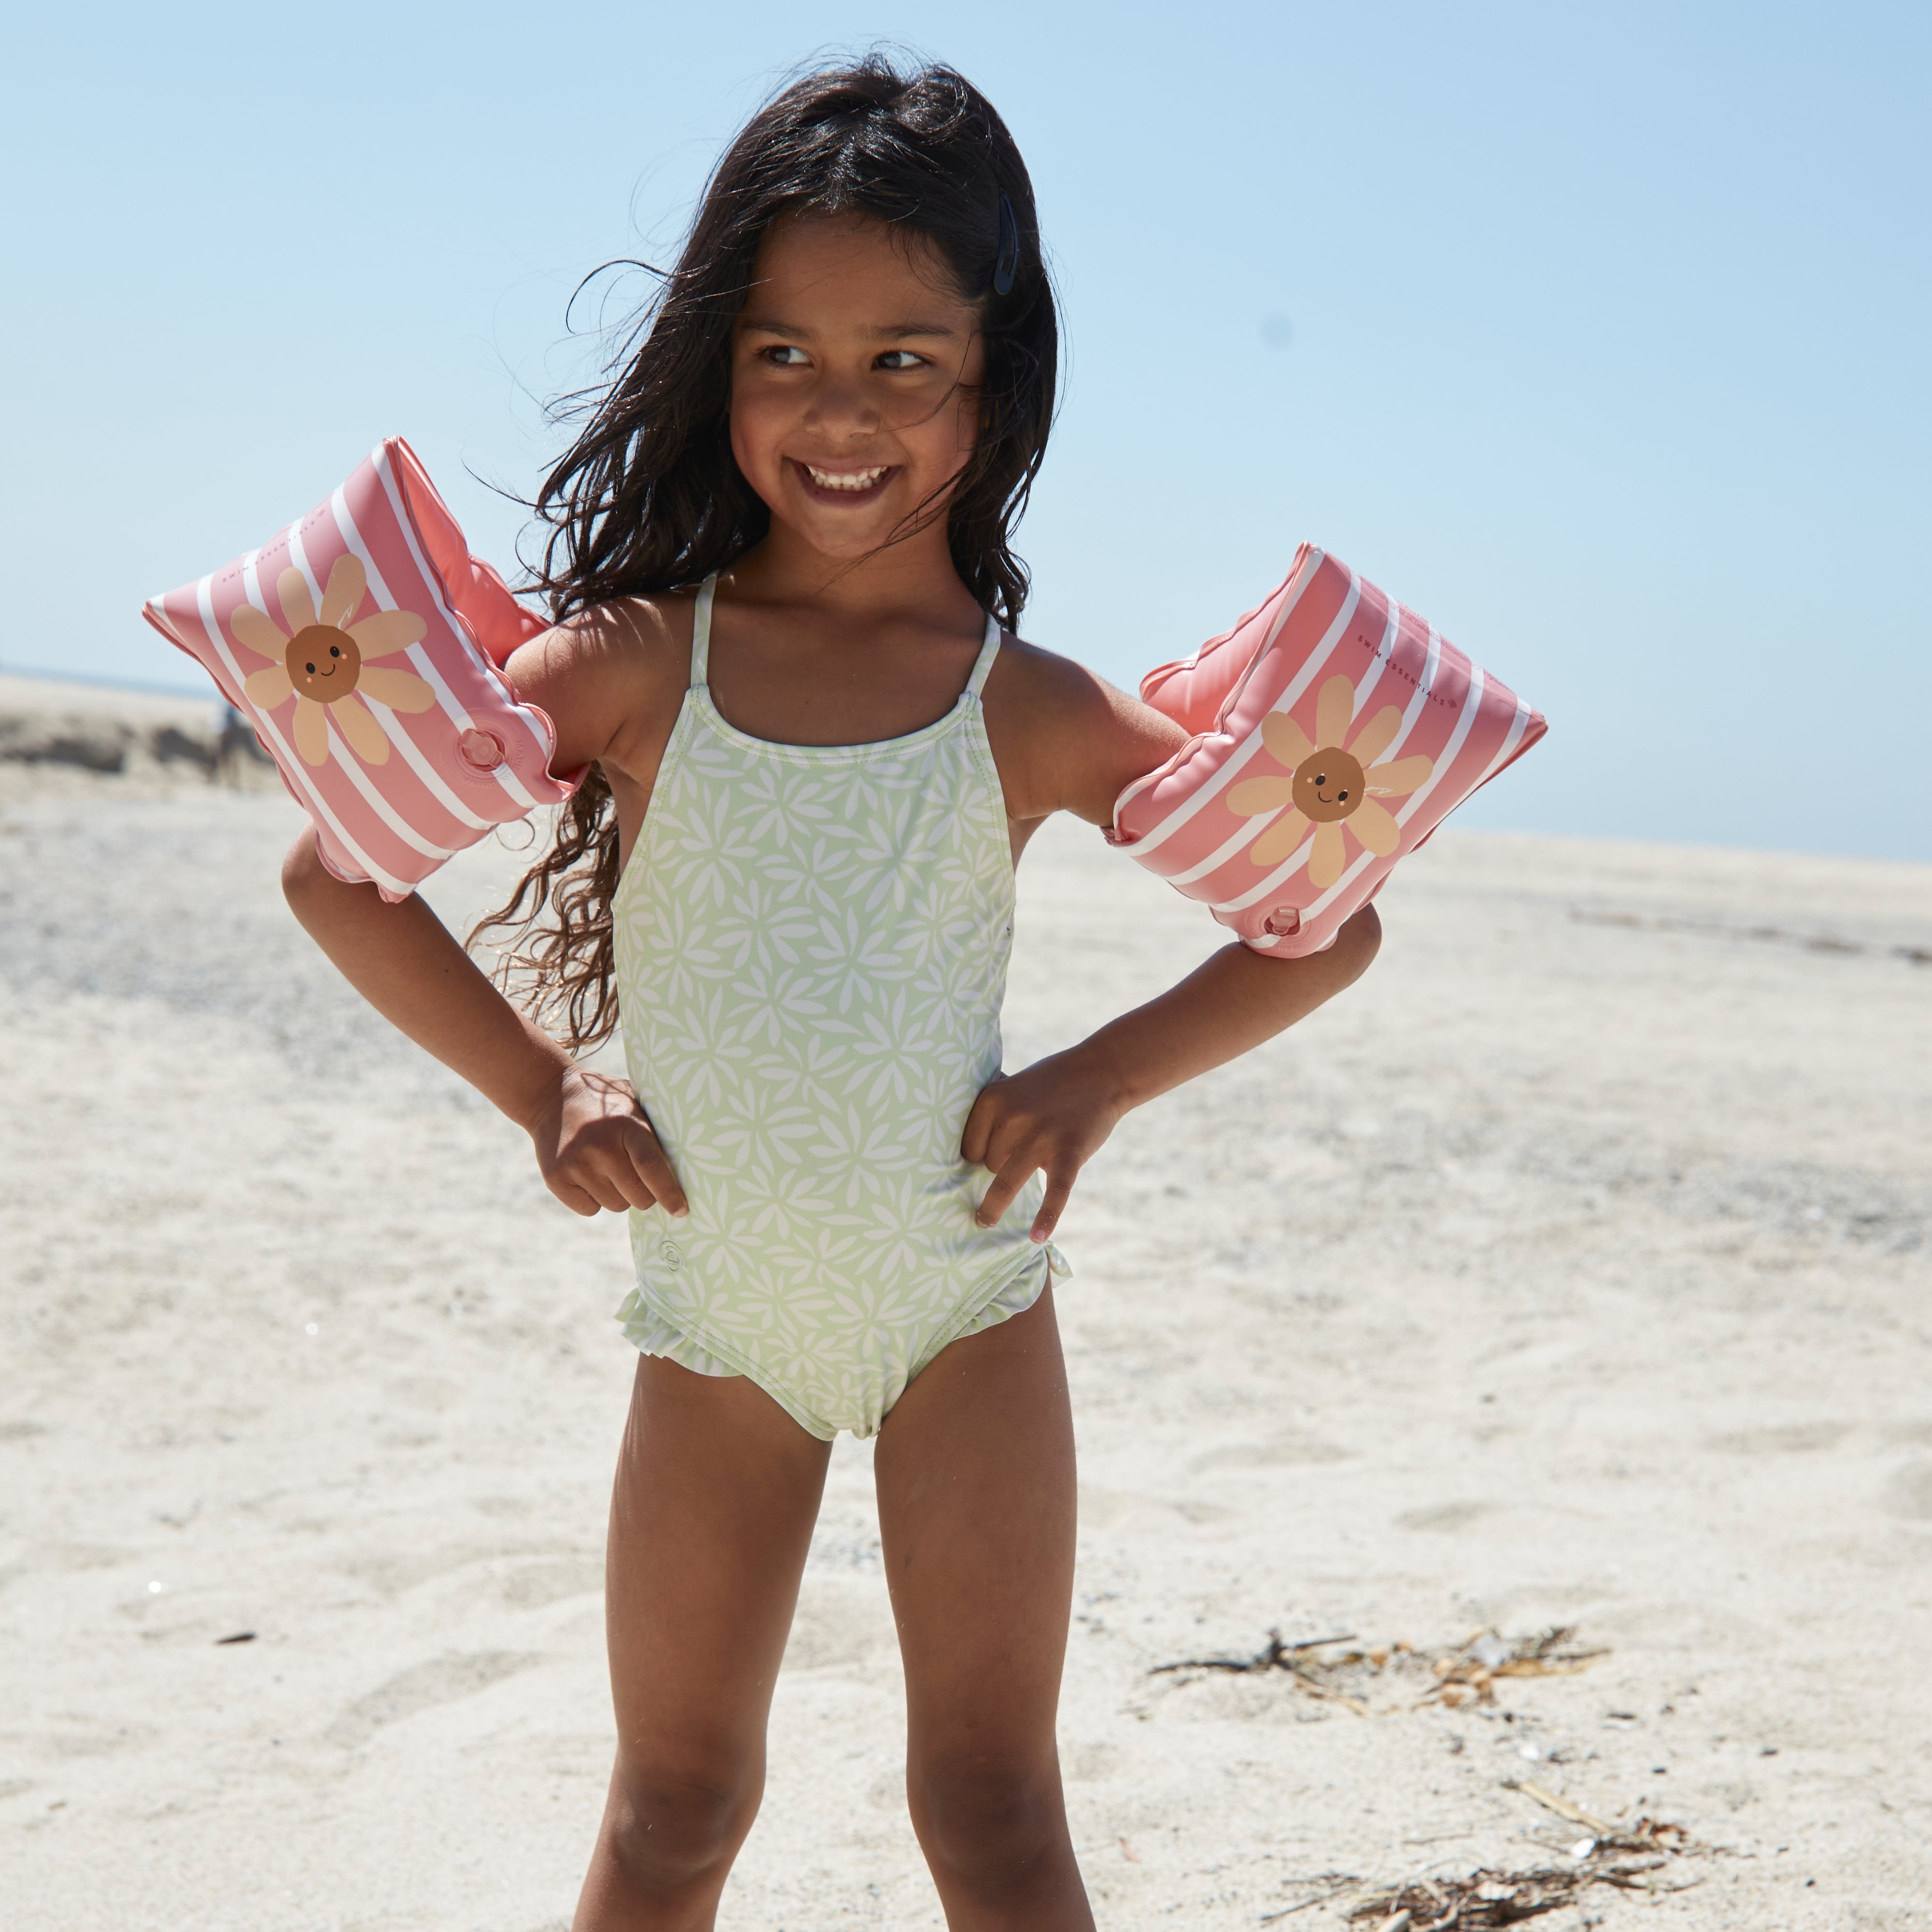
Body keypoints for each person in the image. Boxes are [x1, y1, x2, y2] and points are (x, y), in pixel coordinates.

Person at [282, 57, 1382, 1932]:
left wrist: (1098, 1079)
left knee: (995, 1812)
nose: (839, 409)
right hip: (717, 1319)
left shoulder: (1022, 703)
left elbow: (1326, 920)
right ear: (719, 365)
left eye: (903, 360)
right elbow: (338, 872)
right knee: (673, 1807)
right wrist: (545, 1088)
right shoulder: (639, 662)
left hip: (962, 1303)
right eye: (784, 352)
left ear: (993, 376)